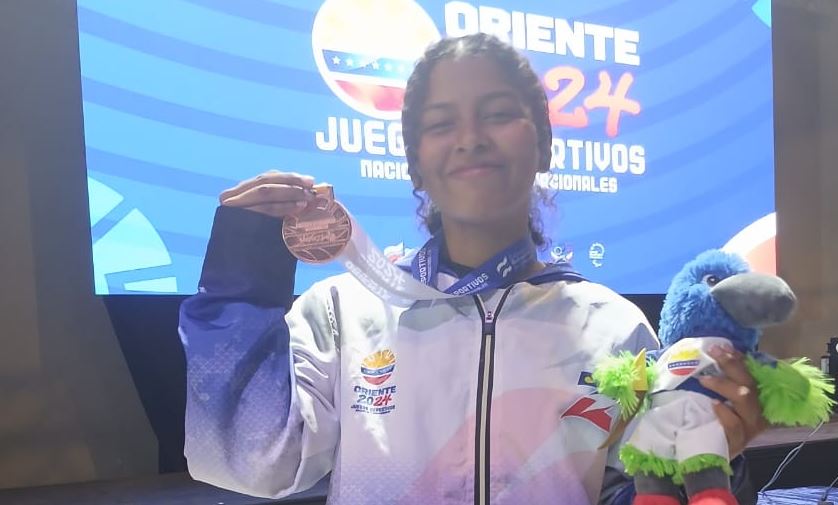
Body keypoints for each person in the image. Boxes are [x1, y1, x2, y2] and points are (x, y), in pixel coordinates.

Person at [179, 33, 766, 505]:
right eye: (441, 124)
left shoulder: (613, 327)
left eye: (497, 114)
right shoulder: (342, 311)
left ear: (545, 145)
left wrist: (714, 452)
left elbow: (629, 488)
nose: (470, 139)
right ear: (415, 164)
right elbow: (249, 462)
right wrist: (242, 280)